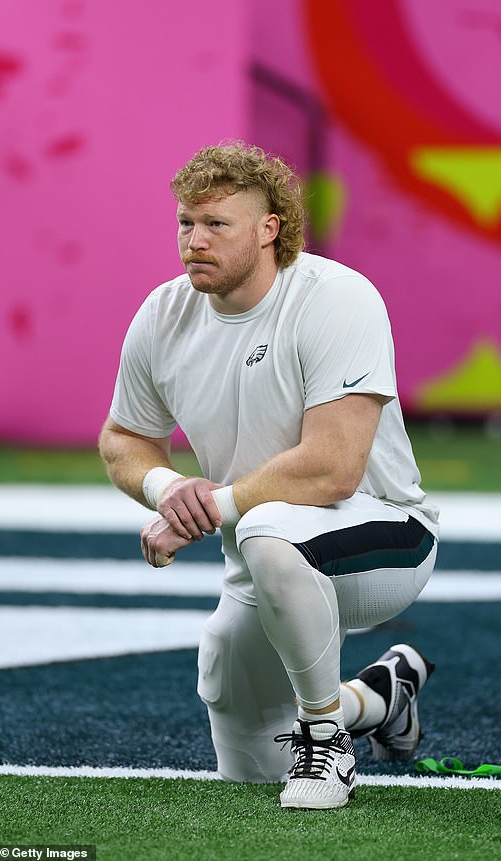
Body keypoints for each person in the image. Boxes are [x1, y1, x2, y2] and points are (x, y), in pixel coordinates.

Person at [98, 142, 439, 810]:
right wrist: (169, 491)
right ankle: (380, 696)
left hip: (387, 533)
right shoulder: (164, 314)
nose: (194, 240)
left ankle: (326, 741)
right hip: (260, 549)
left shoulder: (336, 297)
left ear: (268, 229)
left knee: (266, 528)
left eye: (216, 224)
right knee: (247, 750)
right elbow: (124, 438)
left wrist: (210, 507)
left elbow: (334, 468)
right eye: (185, 223)